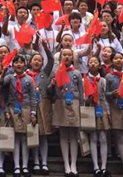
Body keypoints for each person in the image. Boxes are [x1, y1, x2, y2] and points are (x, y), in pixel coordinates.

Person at [50, 48, 83, 177]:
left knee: (74, 135)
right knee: (63, 135)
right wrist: (52, 84)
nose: (67, 57)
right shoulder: (56, 72)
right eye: (64, 55)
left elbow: (81, 91)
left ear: (73, 58)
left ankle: (73, 164)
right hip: (61, 103)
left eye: (70, 55)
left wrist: (82, 107)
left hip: (74, 104)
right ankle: (66, 165)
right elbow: (50, 91)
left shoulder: (77, 73)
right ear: (60, 57)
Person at [3, 54, 36, 177]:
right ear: (13, 65)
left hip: (26, 108)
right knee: (16, 138)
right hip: (13, 108)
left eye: (21, 62)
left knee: (25, 138)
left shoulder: (29, 79)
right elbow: (1, 84)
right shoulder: (9, 77)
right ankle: (17, 166)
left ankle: (25, 166)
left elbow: (33, 97)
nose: (19, 64)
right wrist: (4, 71)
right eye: (16, 62)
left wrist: (33, 113)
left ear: (25, 65)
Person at [27, 44, 54, 175]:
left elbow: (52, 60)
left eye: (39, 60)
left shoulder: (44, 73)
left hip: (43, 105)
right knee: (33, 134)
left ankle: (44, 163)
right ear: (30, 62)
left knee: (43, 136)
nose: (37, 62)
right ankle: (36, 162)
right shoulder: (26, 75)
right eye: (35, 60)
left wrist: (46, 48)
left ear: (42, 63)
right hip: (30, 106)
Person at [84, 55, 111, 177]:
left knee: (103, 138)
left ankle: (104, 167)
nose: (93, 64)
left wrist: (108, 113)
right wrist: (87, 99)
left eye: (95, 62)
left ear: (99, 65)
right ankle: (95, 166)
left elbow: (106, 97)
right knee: (93, 138)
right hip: (90, 109)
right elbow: (83, 98)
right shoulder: (84, 80)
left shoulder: (103, 81)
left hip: (102, 108)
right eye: (91, 62)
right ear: (87, 65)